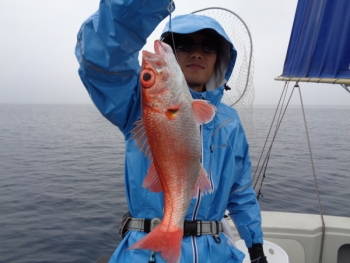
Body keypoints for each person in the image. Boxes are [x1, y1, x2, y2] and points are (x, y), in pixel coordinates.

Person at [75, 1, 268, 262]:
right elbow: (102, 59)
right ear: (172, 54)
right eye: (184, 44)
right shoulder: (137, 104)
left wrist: (256, 247)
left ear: (220, 59)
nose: (197, 53)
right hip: (149, 252)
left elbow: (240, 190)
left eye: (208, 47)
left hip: (217, 253)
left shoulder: (229, 121)